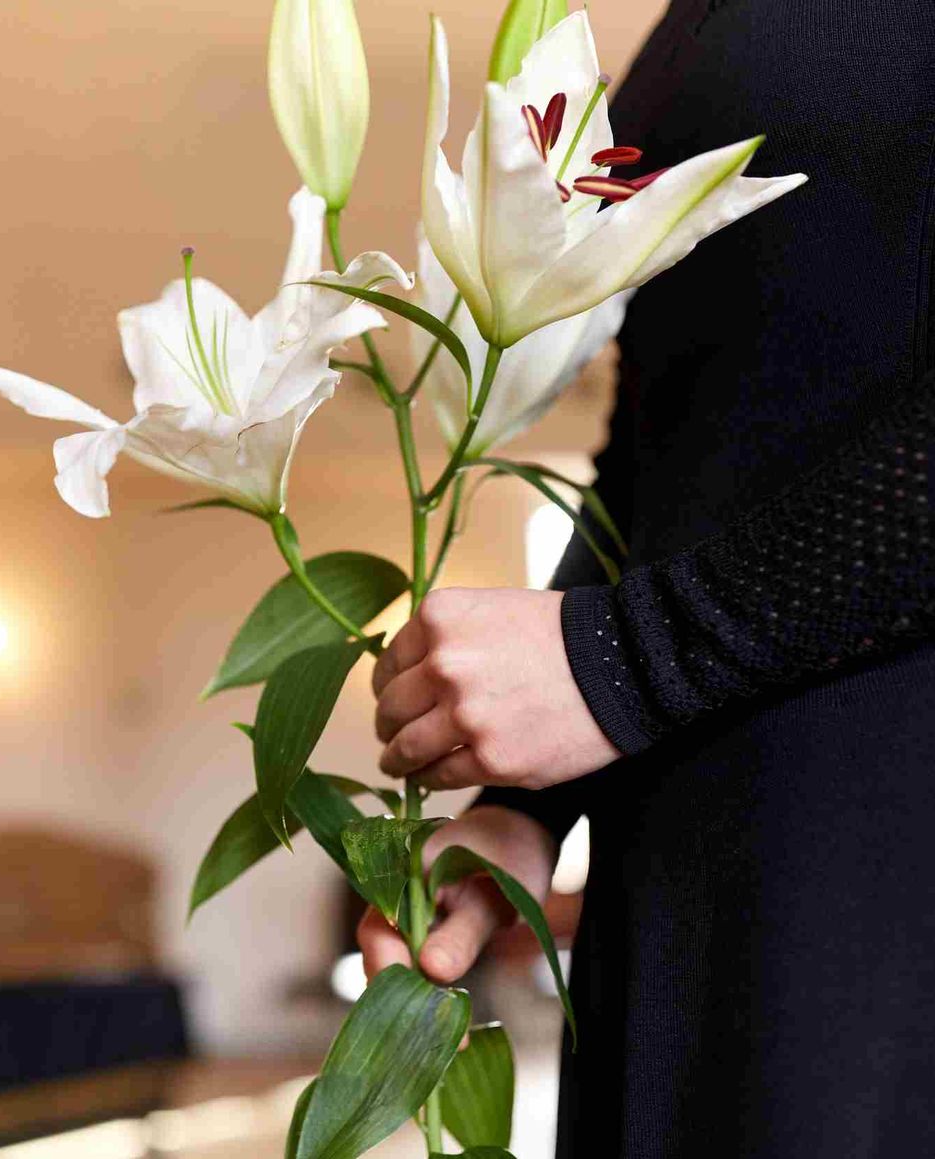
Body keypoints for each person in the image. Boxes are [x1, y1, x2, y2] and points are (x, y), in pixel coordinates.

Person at [358, 1, 935, 1155]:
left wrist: (628, 659)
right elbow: (664, 448)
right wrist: (525, 808)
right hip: (680, 884)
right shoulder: (694, 29)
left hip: (882, 883)